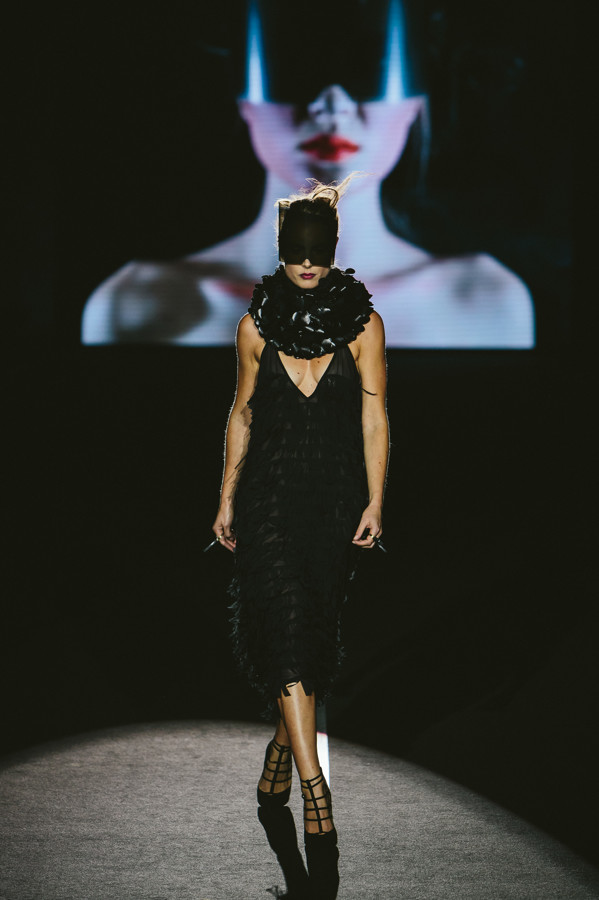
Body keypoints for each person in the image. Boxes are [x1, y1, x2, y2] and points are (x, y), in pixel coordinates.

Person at [81, 0, 534, 348]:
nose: (332, 106)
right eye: (295, 65)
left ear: (414, 104)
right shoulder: (136, 304)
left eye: (369, 67)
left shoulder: (484, 302)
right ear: (245, 102)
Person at [210, 176, 389, 860]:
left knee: (310, 635)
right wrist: (227, 497)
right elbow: (242, 413)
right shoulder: (254, 328)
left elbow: (374, 416)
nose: (308, 263)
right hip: (269, 499)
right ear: (281, 251)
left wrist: (374, 499)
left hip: (333, 500)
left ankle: (280, 754)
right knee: (284, 626)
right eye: (296, 252)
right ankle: (316, 791)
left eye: (318, 252)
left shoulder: (364, 326)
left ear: (333, 250)